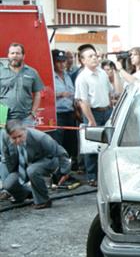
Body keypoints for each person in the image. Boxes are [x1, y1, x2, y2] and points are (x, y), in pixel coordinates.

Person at [0, 120, 70, 209]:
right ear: (9, 136)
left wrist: (65, 172)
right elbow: (6, 158)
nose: (17, 140)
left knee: (32, 170)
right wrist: (11, 175)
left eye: (20, 136)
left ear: (25, 130)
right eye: (14, 138)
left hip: (47, 160)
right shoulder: (4, 136)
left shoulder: (40, 137)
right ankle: (25, 194)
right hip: (24, 163)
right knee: (8, 184)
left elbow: (60, 152)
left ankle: (43, 201)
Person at [74, 43, 114, 186]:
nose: (94, 58)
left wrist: (110, 106)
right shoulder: (82, 78)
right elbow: (83, 102)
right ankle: (92, 176)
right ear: (83, 60)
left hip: (106, 111)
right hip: (93, 113)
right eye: (90, 56)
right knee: (92, 146)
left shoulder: (102, 73)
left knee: (108, 143)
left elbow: (110, 91)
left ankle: (107, 173)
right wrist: (91, 120)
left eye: (95, 55)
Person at [1, 43, 45, 126]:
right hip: (3, 118)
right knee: (4, 139)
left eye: (18, 53)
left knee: (26, 139)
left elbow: (37, 94)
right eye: (12, 53)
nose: (14, 56)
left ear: (23, 56)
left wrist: (33, 112)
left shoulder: (32, 72)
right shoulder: (1, 72)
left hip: (26, 119)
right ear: (8, 55)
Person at [51, 49, 78, 167]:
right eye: (59, 62)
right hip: (58, 114)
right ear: (54, 62)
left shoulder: (67, 76)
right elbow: (43, 94)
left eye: (64, 61)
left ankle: (67, 170)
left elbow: (72, 93)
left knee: (70, 144)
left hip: (70, 113)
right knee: (58, 144)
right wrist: (60, 94)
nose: (62, 64)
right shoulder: (51, 77)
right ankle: (58, 171)